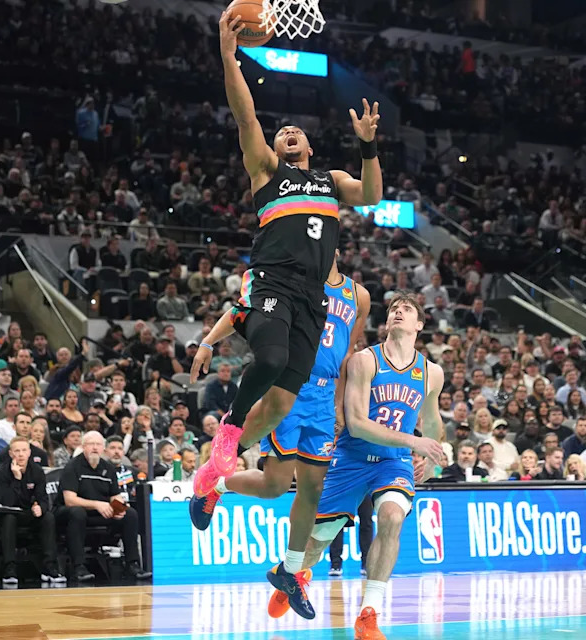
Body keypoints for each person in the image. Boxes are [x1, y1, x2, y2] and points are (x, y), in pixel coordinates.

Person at [191, 12, 383, 500]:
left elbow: (373, 196)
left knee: (278, 404)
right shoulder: (266, 172)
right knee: (271, 359)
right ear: (274, 147)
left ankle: (214, 480)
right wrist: (228, 56)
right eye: (282, 132)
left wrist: (367, 147)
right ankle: (228, 437)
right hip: (272, 282)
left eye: (297, 130)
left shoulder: (332, 182)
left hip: (311, 300)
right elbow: (245, 115)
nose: (289, 131)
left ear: (311, 146)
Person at [189, 259, 370, 604]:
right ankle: (214, 484)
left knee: (312, 489)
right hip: (290, 383)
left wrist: (338, 401)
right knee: (274, 485)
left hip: (323, 394)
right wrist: (208, 341)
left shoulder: (358, 296)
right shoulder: (293, 279)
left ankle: (290, 570)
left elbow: (346, 354)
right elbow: (245, 310)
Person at [266, 294, 445, 637]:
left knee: (392, 517)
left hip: (393, 462)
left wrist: (433, 454)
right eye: (393, 309)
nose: (398, 312)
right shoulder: (364, 361)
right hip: (352, 458)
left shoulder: (431, 373)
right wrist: (414, 441)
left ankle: (369, 613)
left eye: (406, 310)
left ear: (419, 325)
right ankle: (293, 575)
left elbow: (434, 423)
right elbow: (358, 422)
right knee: (318, 542)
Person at [54, 431, 151, 582]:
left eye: (98, 444)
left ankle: (133, 564)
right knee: (77, 513)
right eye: (91, 444)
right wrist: (97, 505)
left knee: (130, 514)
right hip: (70, 513)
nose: (94, 448)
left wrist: (118, 509)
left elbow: (115, 496)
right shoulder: (73, 467)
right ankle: (79, 566)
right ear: (83, 447)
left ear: (103, 449)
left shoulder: (109, 469)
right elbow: (69, 500)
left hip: (100, 512)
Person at [0, 437, 65, 584]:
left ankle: (50, 566)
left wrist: (41, 507)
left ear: (29, 452)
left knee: (48, 517)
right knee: (9, 519)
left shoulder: (37, 471)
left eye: (24, 450)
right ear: (11, 453)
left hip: (28, 513)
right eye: (17, 451)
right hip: (8, 513)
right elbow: (8, 502)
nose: (20, 454)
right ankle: (9, 567)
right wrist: (17, 479)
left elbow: (43, 498)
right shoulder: (0, 473)